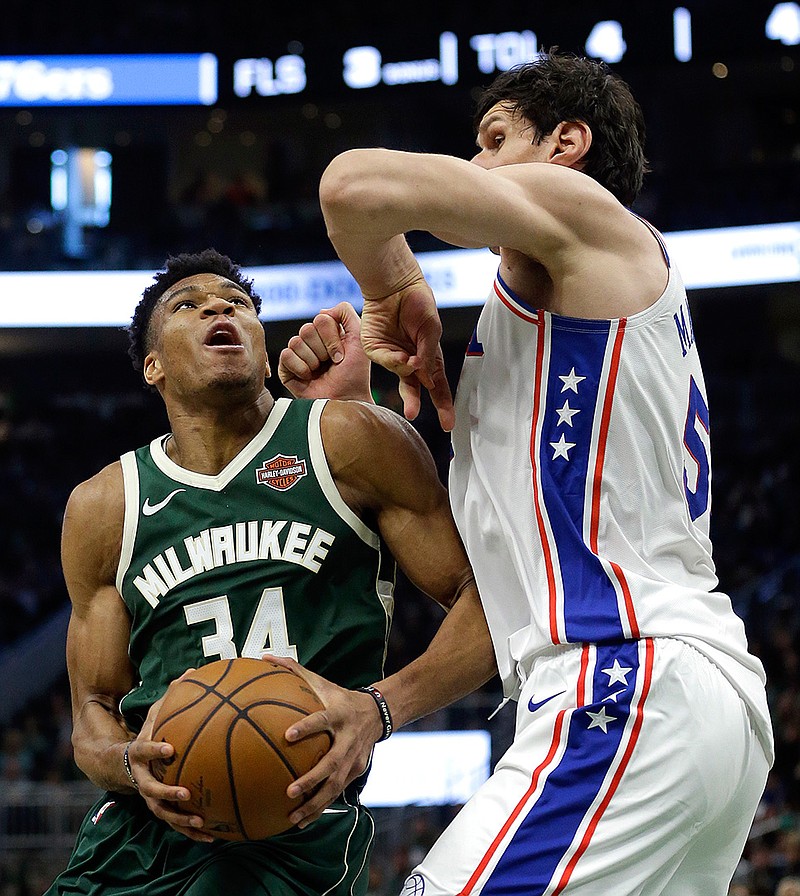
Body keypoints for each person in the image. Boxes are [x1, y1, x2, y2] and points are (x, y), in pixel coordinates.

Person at [280, 52, 774, 894]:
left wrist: (393, 281)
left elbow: (352, 188)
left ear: (567, 145)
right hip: (679, 701)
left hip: (628, 685)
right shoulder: (547, 334)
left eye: (495, 139)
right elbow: (505, 604)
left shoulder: (586, 209)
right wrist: (381, 705)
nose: (474, 166)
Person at [45, 248, 496, 896]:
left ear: (262, 347)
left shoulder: (348, 441)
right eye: (189, 305)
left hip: (290, 825)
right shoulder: (104, 506)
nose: (219, 307)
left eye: (237, 304)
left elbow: (484, 602)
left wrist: (378, 709)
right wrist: (127, 761)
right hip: (135, 836)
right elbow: (92, 710)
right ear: (154, 366)